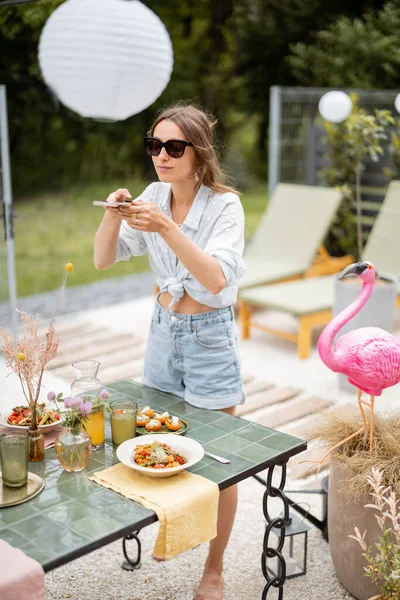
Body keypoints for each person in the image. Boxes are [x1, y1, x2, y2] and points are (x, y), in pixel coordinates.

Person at [94, 103, 246, 600]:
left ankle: (215, 569)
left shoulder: (226, 206)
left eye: (173, 147)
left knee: (221, 461)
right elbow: (102, 259)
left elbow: (215, 279)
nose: (161, 155)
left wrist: (165, 228)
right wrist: (115, 214)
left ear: (198, 152)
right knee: (159, 442)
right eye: (154, 145)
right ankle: (169, 527)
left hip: (208, 335)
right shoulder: (154, 196)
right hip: (163, 332)